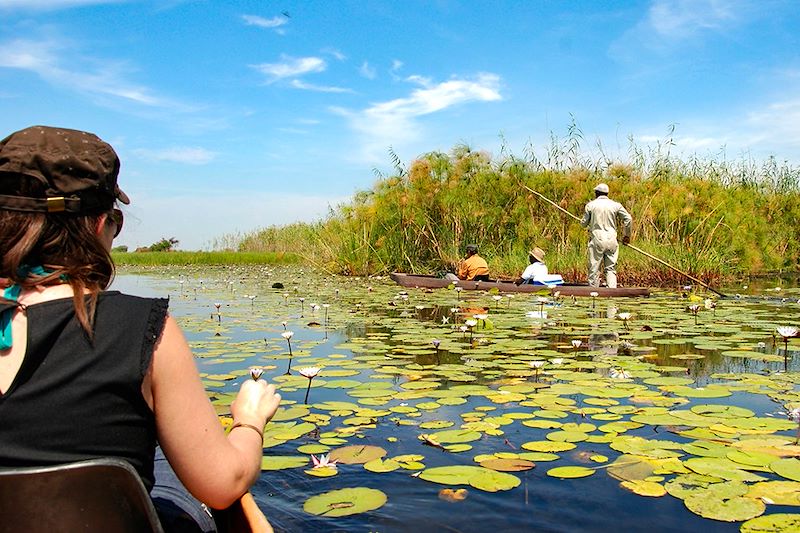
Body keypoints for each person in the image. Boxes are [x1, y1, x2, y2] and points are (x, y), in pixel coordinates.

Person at [0, 125, 281, 532]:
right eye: (116, 220)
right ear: (98, 225)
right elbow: (223, 485)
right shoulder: (143, 331)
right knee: (179, 467)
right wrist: (249, 420)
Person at [580, 182, 632, 288]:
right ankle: (612, 291)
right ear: (606, 193)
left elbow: (583, 224)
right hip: (612, 240)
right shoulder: (616, 205)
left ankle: (594, 291)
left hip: (597, 240)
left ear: (596, 193)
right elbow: (628, 218)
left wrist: (585, 221)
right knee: (611, 269)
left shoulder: (590, 205)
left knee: (594, 268)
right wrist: (627, 236)